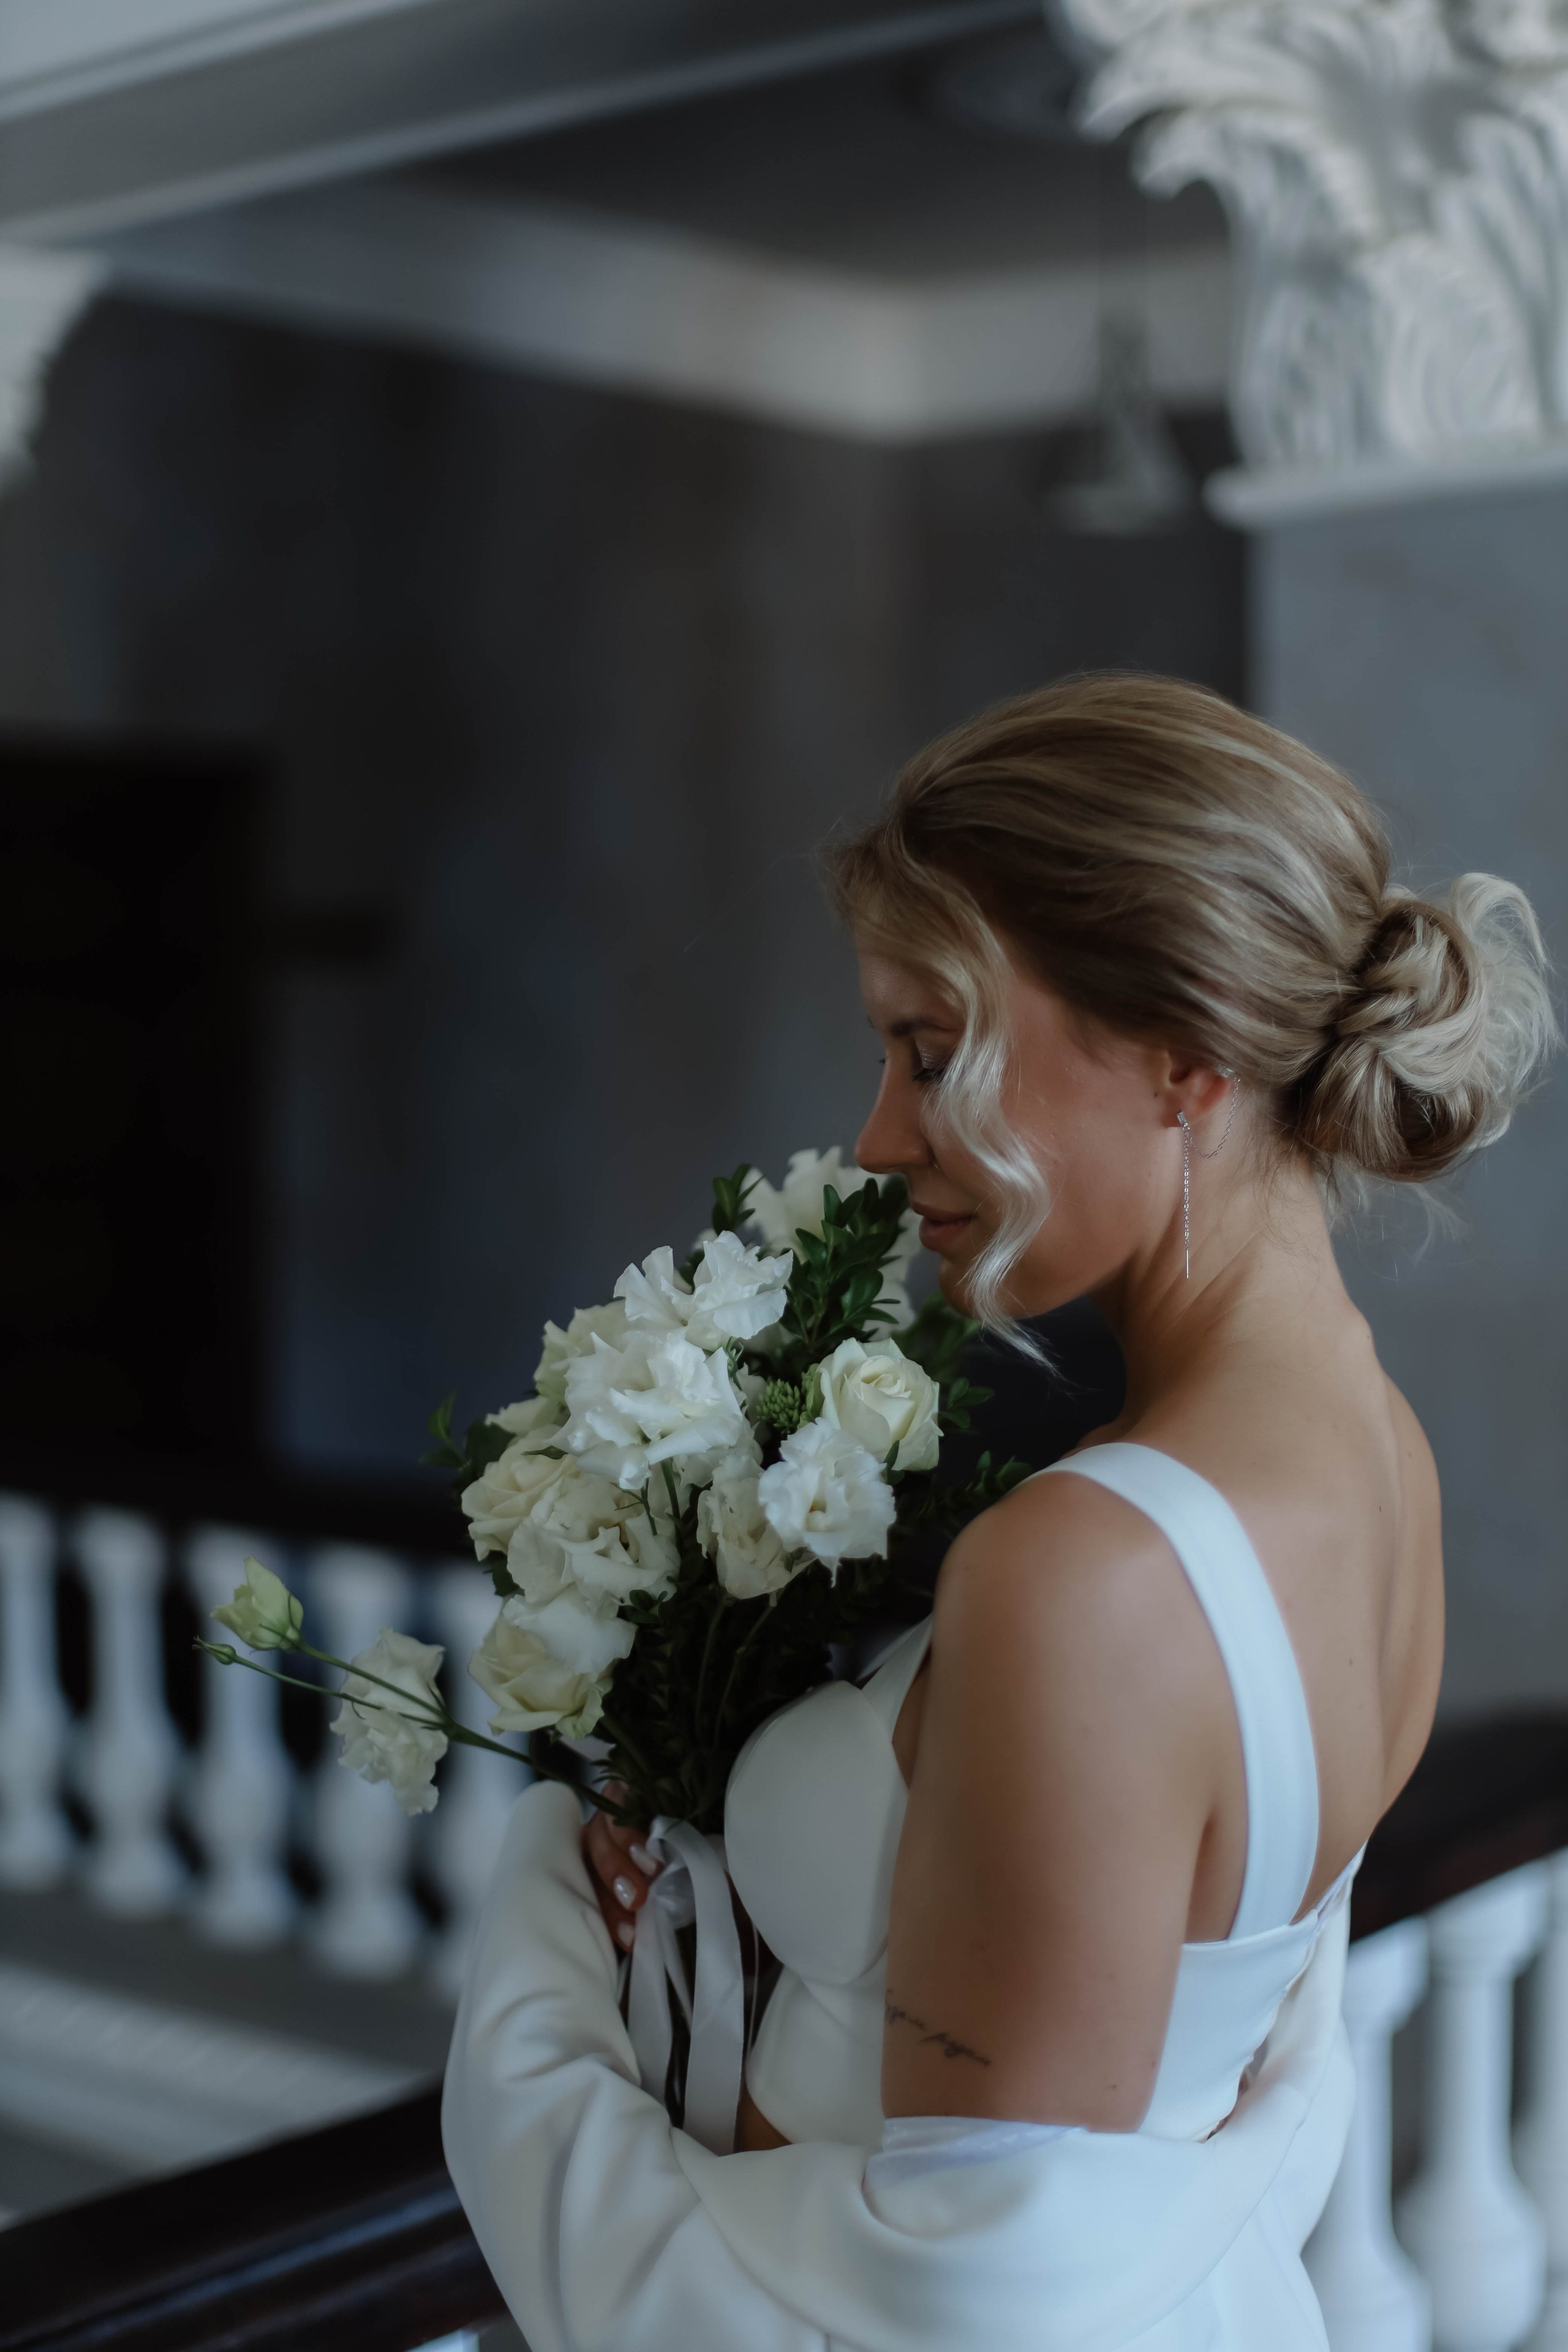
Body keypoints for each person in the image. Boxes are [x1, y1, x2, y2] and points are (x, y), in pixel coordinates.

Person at [444, 674, 1555, 2350]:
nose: (881, 1140)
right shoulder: (1377, 1449)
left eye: (930, 1045)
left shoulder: (1085, 1576)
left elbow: (960, 2300)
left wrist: (552, 1958)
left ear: (1185, 1053)